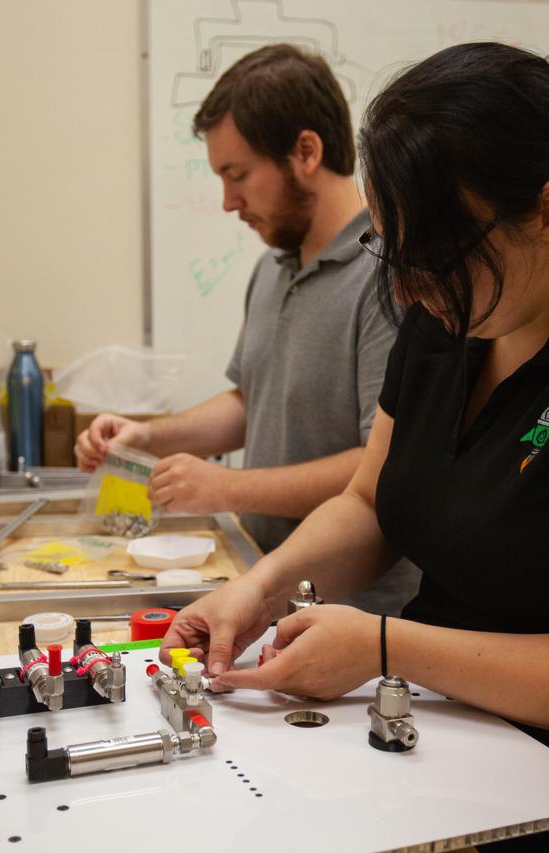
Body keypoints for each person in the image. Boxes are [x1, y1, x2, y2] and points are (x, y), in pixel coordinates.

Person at [159, 42, 549, 852]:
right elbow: (371, 502)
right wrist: (260, 590)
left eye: (433, 256)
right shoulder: (447, 318)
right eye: (392, 250)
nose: (407, 288)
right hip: (447, 767)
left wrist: (385, 644)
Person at [76, 44, 418, 614]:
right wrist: (148, 436)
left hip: (352, 613)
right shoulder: (273, 267)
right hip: (262, 589)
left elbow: (378, 465)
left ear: (306, 152)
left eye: (238, 175)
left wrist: (226, 487)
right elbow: (250, 401)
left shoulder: (389, 277)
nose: (228, 202)